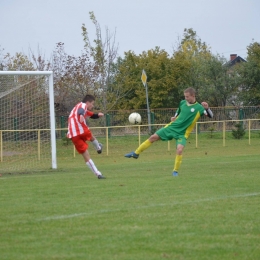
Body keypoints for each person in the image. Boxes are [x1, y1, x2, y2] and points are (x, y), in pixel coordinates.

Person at [125, 87, 213, 176]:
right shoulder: (182, 103)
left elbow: (211, 116)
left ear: (193, 95)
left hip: (182, 133)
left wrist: (207, 108)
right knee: (153, 137)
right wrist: (174, 117)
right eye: (185, 96)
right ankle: (136, 153)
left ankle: (175, 171)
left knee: (179, 150)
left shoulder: (199, 108)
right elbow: (178, 112)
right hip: (172, 127)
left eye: (187, 97)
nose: (185, 98)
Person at [67, 94, 106, 179]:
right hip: (80, 129)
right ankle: (98, 147)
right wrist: (81, 115)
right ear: (88, 102)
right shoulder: (82, 105)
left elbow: (91, 115)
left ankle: (98, 174)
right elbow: (81, 110)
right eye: (92, 104)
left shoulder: (76, 108)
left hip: (73, 135)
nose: (93, 105)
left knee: (86, 156)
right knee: (91, 136)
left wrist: (97, 115)